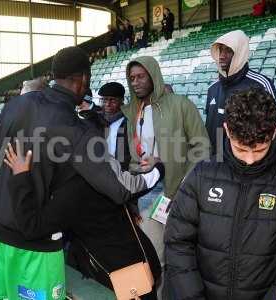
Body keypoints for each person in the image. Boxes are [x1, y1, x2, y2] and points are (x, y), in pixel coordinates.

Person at [0, 46, 165, 300]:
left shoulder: (16, 105)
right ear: (84, 79)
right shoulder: (78, 130)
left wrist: (1, 196)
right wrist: (157, 172)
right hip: (37, 246)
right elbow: (120, 189)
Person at [3, 140, 163, 300]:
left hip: (119, 279)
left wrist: (20, 177)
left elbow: (31, 227)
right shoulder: (99, 172)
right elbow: (139, 184)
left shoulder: (69, 195)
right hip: (141, 261)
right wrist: (159, 167)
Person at [165, 88, 276, 300]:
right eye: (241, 149)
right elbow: (178, 243)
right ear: (227, 130)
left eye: (259, 150)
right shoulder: (202, 174)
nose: (250, 160)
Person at [122, 56, 210, 298]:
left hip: (173, 192)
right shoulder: (133, 112)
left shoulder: (181, 105)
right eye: (132, 78)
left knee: (168, 260)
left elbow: (202, 148)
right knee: (147, 260)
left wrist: (184, 186)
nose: (136, 82)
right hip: (142, 193)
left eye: (141, 76)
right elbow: (132, 157)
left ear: (153, 75)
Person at [205, 30, 276, 154]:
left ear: (240, 52)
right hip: (216, 164)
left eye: (228, 50)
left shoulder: (261, 84)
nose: (222, 55)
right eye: (220, 50)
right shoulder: (212, 88)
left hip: (247, 166)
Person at [99, 82, 130, 170]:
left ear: (122, 100)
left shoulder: (128, 121)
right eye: (104, 100)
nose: (107, 104)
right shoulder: (97, 120)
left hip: (122, 171)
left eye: (112, 100)